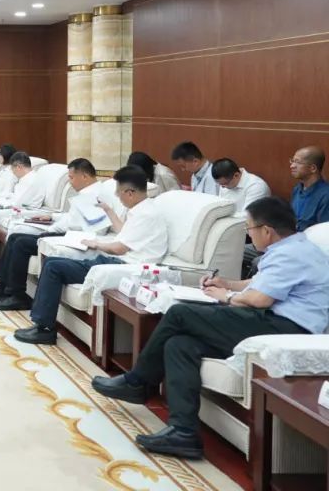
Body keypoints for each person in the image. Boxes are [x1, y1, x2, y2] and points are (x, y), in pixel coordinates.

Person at [92, 196, 329, 460]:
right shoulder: (293, 248)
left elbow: (260, 299)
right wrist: (226, 283)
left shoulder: (291, 254)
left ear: (266, 231)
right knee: (180, 344)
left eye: (249, 228)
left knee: (179, 313)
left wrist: (225, 296)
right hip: (270, 321)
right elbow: (258, 284)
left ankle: (138, 382)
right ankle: (183, 432)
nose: (249, 234)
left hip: (282, 329)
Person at [14, 165, 168, 345]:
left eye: (119, 192)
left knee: (53, 267)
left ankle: (45, 329)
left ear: (130, 193)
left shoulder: (146, 215)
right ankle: (41, 324)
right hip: (114, 261)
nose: (117, 196)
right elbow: (123, 233)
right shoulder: (142, 209)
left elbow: (120, 248)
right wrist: (109, 210)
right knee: (51, 262)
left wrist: (97, 244)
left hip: (123, 266)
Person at [0, 158, 114, 311]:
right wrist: (52, 217)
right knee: (14, 238)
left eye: (72, 177)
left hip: (73, 239)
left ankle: (17, 295)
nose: (70, 182)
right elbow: (72, 217)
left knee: (20, 243)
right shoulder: (87, 193)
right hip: (65, 233)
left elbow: (95, 228)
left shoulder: (96, 196)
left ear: (84, 176)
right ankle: (3, 286)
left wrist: (51, 230)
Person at [290, 145, 329, 231]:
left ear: (313, 168)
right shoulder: (297, 189)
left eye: (297, 162)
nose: (292, 166)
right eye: (292, 161)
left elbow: (324, 232)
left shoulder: (326, 196)